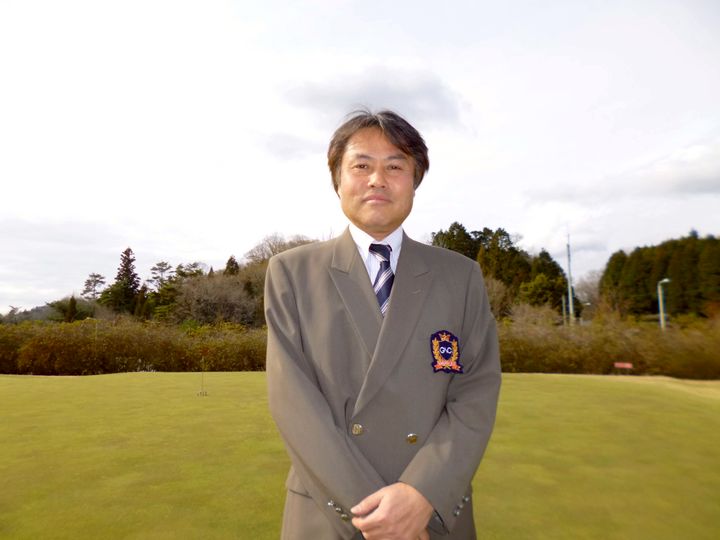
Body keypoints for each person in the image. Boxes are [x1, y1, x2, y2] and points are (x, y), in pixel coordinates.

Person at [265, 109, 501, 540]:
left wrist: (421, 494)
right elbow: (294, 403)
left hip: (431, 514)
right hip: (330, 515)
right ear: (337, 181)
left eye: (395, 166)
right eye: (361, 166)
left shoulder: (460, 276)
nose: (377, 179)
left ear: (415, 181)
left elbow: (476, 392)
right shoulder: (291, 273)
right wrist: (377, 515)